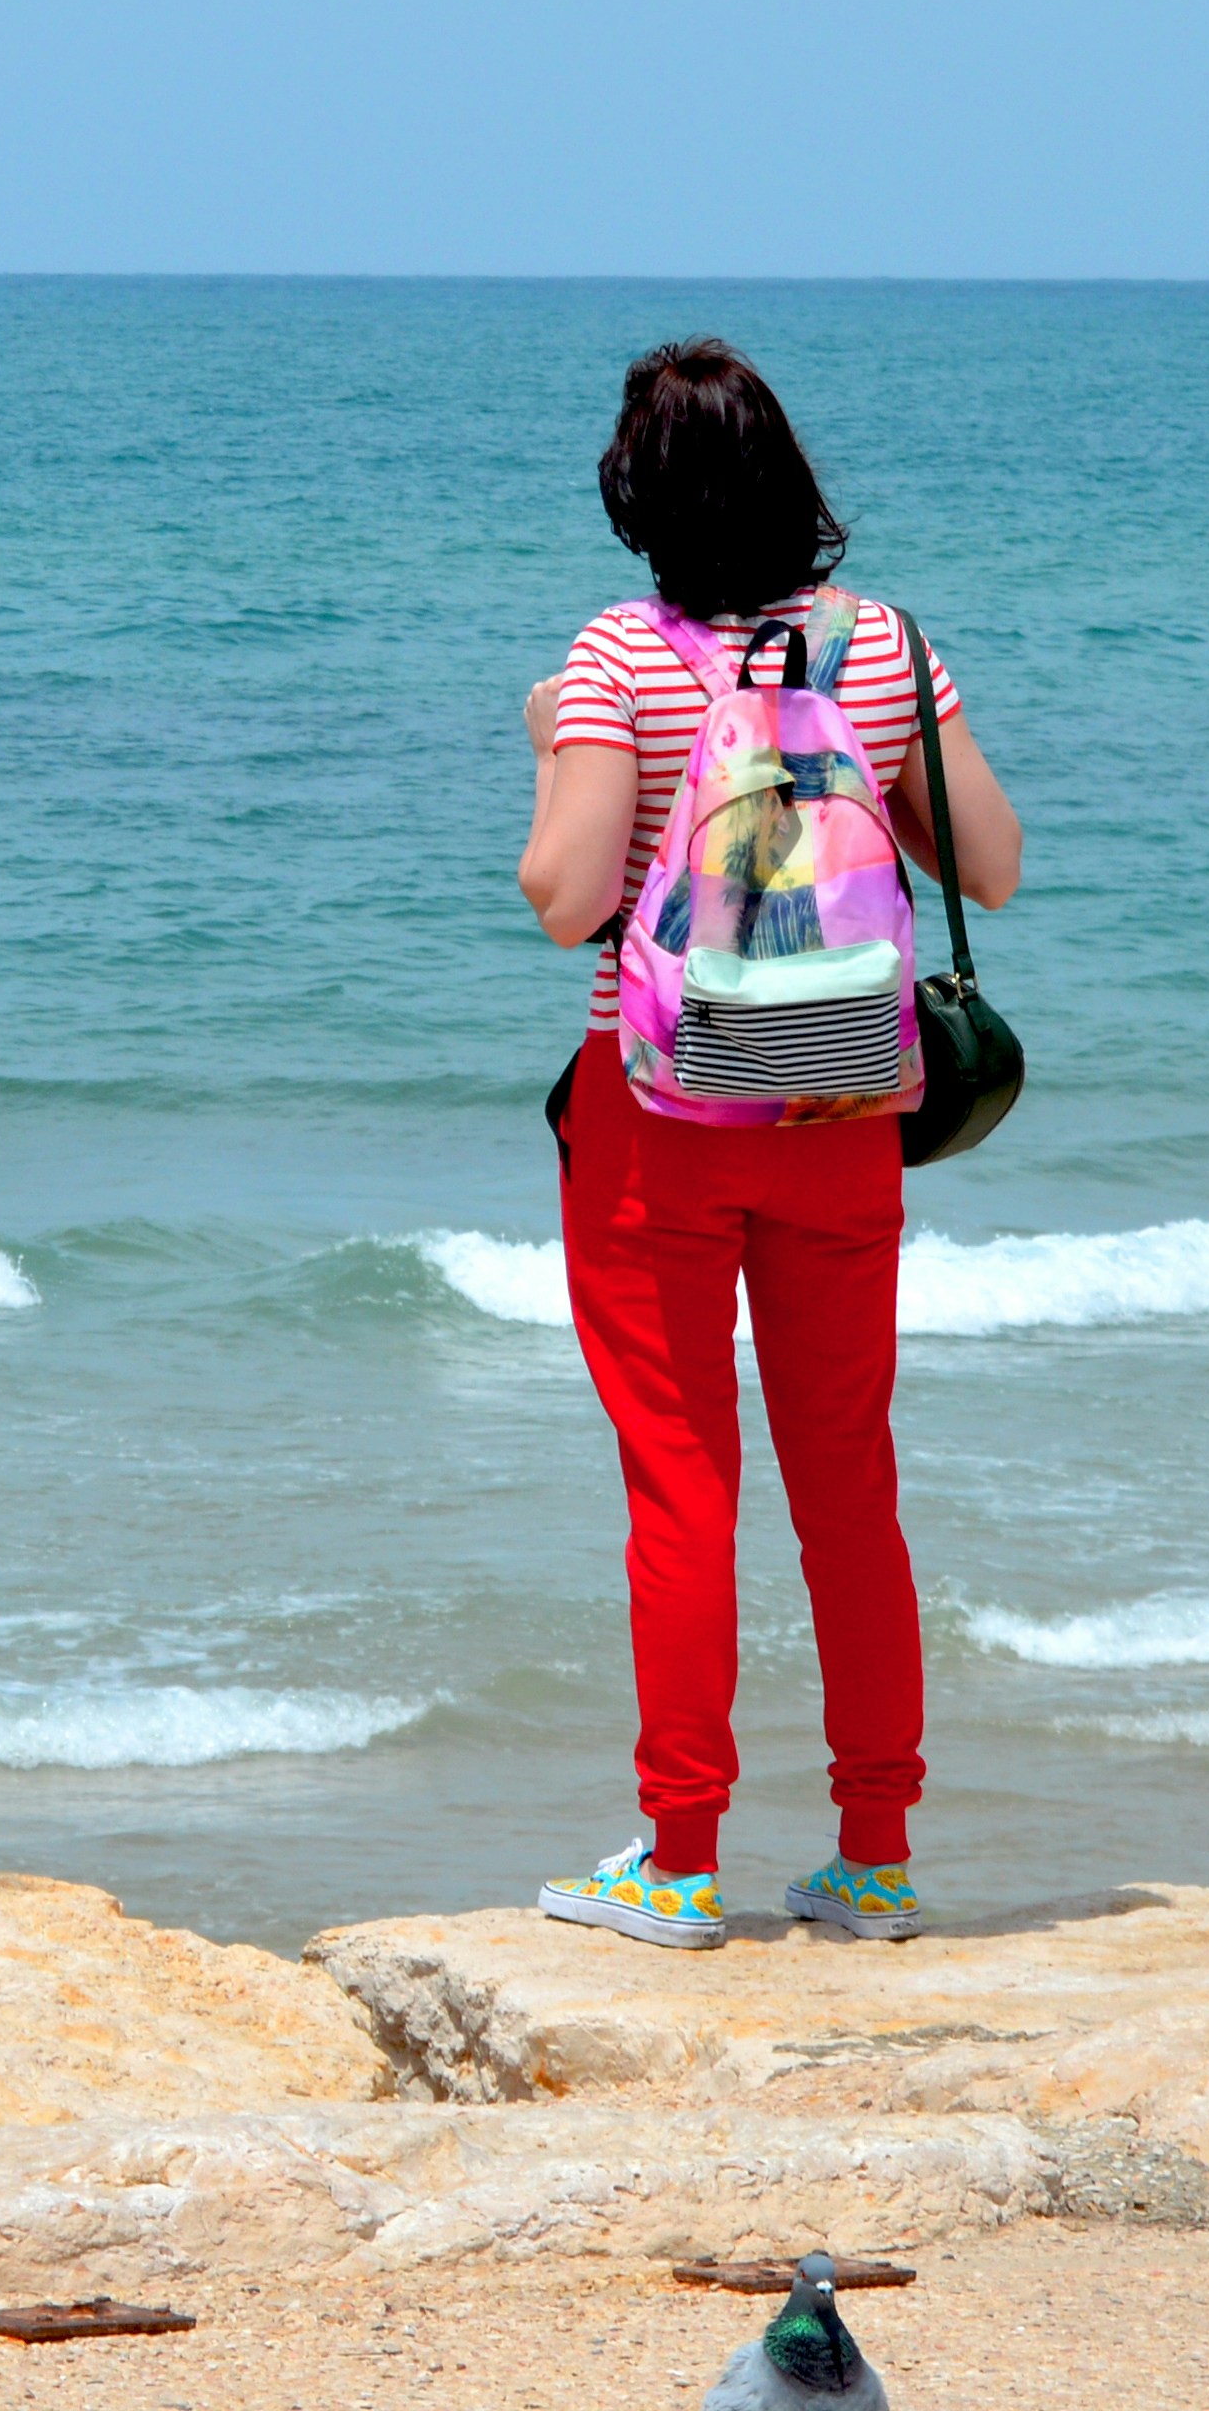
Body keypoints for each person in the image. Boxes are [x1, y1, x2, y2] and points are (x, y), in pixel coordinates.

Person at [510, 338, 1020, 1950]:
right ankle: (874, 1854)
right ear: (795, 478)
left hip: (659, 1118)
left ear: (635, 497)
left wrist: (550, 738)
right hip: (843, 1119)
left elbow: (566, 898)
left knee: (682, 1485)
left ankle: (676, 1860)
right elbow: (989, 870)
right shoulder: (885, 651)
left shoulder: (617, 655)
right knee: (848, 1483)